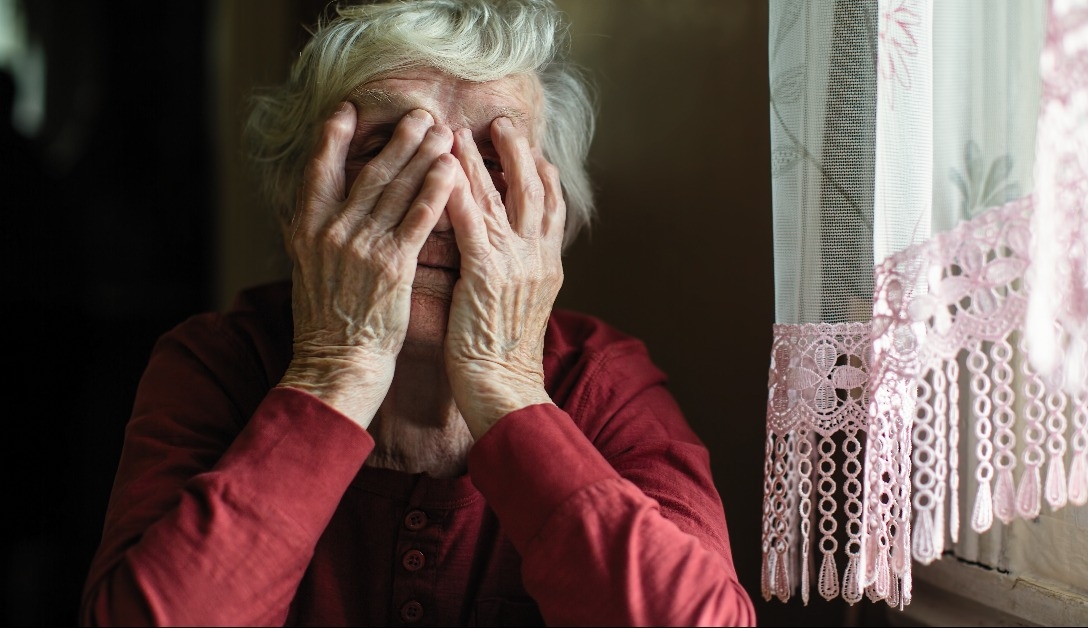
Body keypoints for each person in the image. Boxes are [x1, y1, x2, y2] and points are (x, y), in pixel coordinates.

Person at [79, 0, 756, 625]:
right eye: (389, 157)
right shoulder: (219, 363)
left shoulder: (600, 380)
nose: (440, 204)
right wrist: (334, 369)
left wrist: (505, 384)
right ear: (300, 201)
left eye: (493, 168)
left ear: (551, 217)